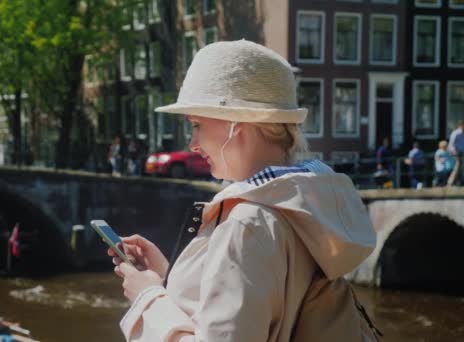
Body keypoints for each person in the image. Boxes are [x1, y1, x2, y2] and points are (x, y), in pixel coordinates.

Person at [108, 40, 379, 341]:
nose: (192, 143)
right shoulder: (306, 205)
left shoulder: (247, 223)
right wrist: (169, 275)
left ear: (236, 123)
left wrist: (147, 298)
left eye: (196, 124)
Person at [447, 121, 464, 185]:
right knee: (456, 168)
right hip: (456, 153)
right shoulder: (456, 133)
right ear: (461, 125)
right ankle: (450, 182)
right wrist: (454, 152)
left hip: (462, 153)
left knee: (461, 169)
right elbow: (451, 144)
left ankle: (460, 182)